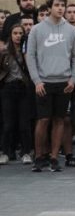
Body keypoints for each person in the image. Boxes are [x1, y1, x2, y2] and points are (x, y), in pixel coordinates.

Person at [26, 0, 75, 173]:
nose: (60, 8)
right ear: (49, 7)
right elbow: (30, 56)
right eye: (57, 5)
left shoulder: (72, 31)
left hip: (64, 82)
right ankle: (39, 157)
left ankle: (53, 157)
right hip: (43, 82)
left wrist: (73, 79)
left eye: (62, 5)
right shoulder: (37, 29)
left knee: (60, 120)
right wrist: (36, 80)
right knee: (43, 120)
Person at [0, 24, 34, 164]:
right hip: (8, 87)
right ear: (11, 34)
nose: (18, 36)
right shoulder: (4, 51)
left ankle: (26, 152)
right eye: (15, 33)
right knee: (8, 123)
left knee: (24, 124)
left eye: (20, 33)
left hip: (23, 87)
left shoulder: (27, 50)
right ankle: (5, 152)